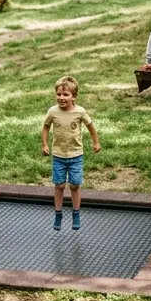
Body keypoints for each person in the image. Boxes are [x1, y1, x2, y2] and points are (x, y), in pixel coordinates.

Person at [42, 76, 100, 231]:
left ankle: (76, 213)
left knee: (74, 185)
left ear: (74, 96)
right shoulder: (52, 111)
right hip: (58, 155)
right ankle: (58, 213)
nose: (61, 97)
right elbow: (46, 127)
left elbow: (90, 126)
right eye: (59, 94)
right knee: (59, 185)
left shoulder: (80, 112)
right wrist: (45, 144)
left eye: (65, 94)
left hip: (76, 155)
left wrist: (96, 142)